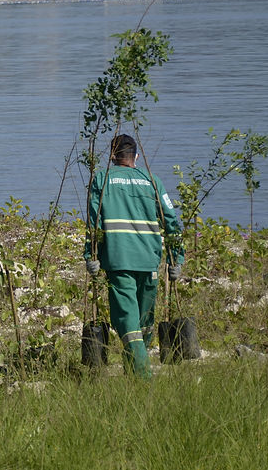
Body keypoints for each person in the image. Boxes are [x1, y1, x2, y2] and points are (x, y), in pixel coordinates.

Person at [83, 134, 185, 377]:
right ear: (136, 157)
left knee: (130, 322)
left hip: (119, 260)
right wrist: (176, 259)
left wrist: (91, 255)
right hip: (149, 259)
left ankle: (142, 377)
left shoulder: (102, 178)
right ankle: (137, 374)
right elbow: (172, 221)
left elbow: (94, 222)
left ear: (112, 156)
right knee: (142, 321)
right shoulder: (152, 180)